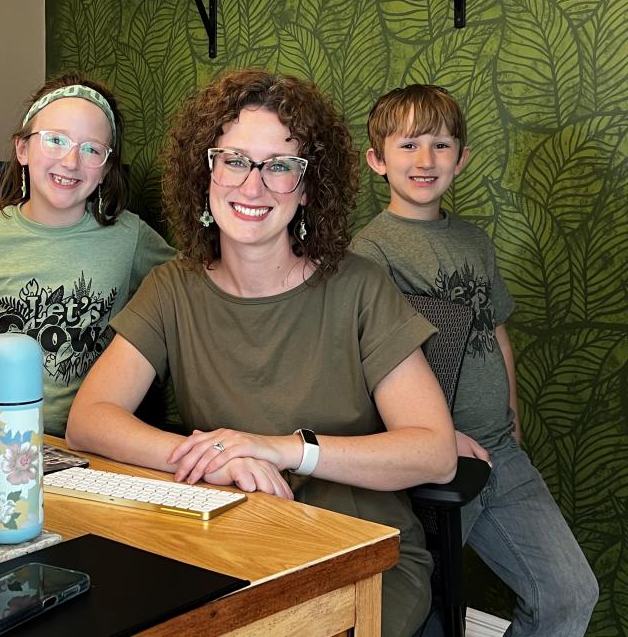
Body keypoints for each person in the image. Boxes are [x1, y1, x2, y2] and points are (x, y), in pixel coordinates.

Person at [66, 69, 457, 636]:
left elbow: (433, 453)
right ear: (205, 173)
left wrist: (282, 451)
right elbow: (89, 419)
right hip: (228, 547)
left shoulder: (360, 288)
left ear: (307, 188)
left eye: (280, 166)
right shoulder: (173, 288)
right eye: (234, 160)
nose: (252, 187)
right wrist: (218, 458)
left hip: (358, 560)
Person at [351, 84, 598, 635]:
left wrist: (511, 404)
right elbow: (365, 368)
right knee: (422, 613)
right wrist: (438, 440)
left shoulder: (474, 240)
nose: (425, 159)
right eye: (409, 144)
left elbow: (496, 327)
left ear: (461, 158)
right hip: (434, 467)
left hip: (503, 453)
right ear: (377, 160)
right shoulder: (368, 254)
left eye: (441, 145)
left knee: (570, 593)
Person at [0, 74, 175, 435]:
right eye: (55, 140)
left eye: (92, 149)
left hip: (95, 444)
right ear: (23, 149)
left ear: (106, 169)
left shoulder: (131, 238)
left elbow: (186, 289)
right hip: (0, 435)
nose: (71, 160)